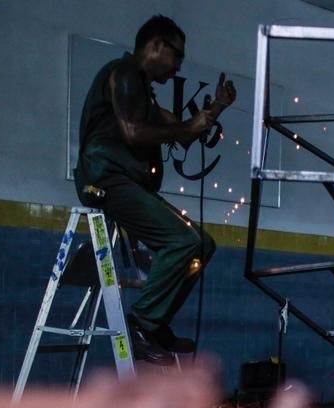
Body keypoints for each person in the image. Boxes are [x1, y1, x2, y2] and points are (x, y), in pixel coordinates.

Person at [74, 15, 237, 364]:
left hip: (128, 184)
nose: (178, 65)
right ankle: (142, 323)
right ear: (157, 46)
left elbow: (182, 128)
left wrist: (218, 106)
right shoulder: (126, 74)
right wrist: (184, 129)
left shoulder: (143, 92)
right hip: (106, 181)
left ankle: (155, 321)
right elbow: (133, 132)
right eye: (176, 55)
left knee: (202, 244)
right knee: (184, 241)